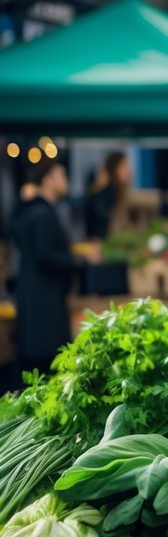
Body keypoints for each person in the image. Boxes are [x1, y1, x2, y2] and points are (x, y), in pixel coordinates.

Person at [12, 161, 96, 376]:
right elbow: (45, 255)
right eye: (62, 175)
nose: (65, 180)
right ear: (48, 179)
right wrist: (77, 260)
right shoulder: (43, 214)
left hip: (34, 297)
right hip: (44, 302)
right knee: (47, 368)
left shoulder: (32, 211)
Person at [83, 151, 131, 239]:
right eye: (123, 167)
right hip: (99, 242)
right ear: (114, 168)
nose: (128, 171)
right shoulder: (110, 190)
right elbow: (99, 217)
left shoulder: (115, 189)